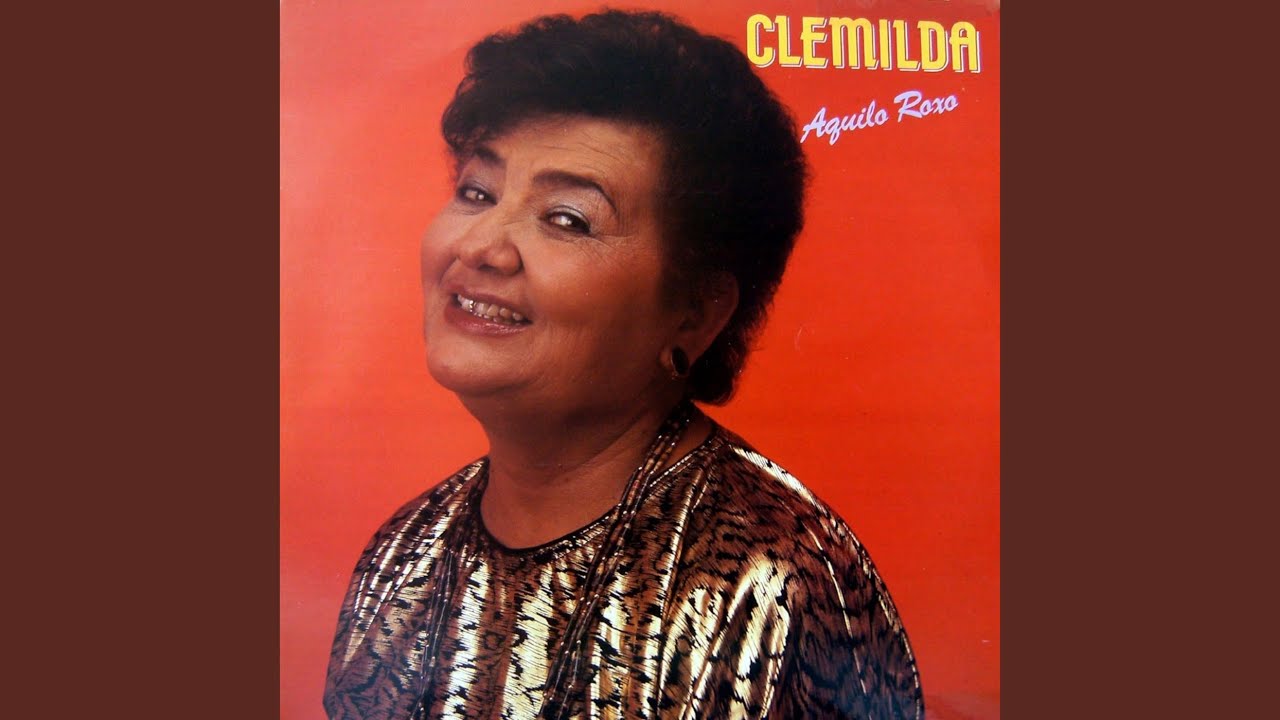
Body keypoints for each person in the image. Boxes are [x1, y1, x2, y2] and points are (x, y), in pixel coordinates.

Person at [324, 10, 923, 719]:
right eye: (478, 193)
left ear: (694, 312)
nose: (481, 246)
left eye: (567, 219)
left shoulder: (770, 581)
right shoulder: (407, 550)